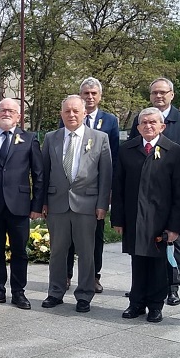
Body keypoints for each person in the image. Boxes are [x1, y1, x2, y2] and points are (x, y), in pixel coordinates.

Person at [129, 77, 180, 306]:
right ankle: (143, 287)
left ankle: (172, 286)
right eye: (154, 93)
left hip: (172, 193)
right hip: (144, 194)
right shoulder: (140, 119)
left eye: (163, 92)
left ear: (172, 94)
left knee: (172, 240)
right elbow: (133, 152)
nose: (158, 96)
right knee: (144, 241)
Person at [112, 107, 180, 323]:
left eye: (153, 122)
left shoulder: (174, 151)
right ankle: (136, 303)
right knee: (137, 260)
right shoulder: (127, 149)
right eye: (144, 122)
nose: (148, 126)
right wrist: (118, 218)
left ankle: (155, 305)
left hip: (160, 219)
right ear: (138, 127)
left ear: (162, 126)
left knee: (157, 263)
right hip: (134, 216)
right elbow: (118, 186)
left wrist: (175, 226)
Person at [41, 95, 112, 313]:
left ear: (83, 113)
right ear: (61, 114)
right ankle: (55, 291)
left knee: (86, 251)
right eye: (67, 112)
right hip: (57, 203)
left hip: (87, 204)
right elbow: (43, 172)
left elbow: (106, 175)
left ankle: (84, 294)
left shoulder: (99, 138)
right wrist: (43, 201)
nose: (71, 115)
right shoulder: (51, 137)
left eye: (75, 111)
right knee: (57, 251)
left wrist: (102, 204)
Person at [0, 98, 44, 309]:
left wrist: (36, 206)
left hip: (19, 205)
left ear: (19, 116)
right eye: (2, 109)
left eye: (11, 110)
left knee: (19, 251)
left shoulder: (29, 139)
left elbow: (38, 175)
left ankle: (19, 292)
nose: (6, 113)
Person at [62, 77, 120, 293]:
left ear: (100, 96)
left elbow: (112, 158)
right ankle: (66, 275)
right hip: (71, 190)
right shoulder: (69, 117)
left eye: (93, 93)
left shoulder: (110, 121)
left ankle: (94, 276)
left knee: (95, 237)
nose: (90, 97)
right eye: (86, 93)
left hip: (95, 191)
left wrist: (109, 191)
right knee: (67, 237)